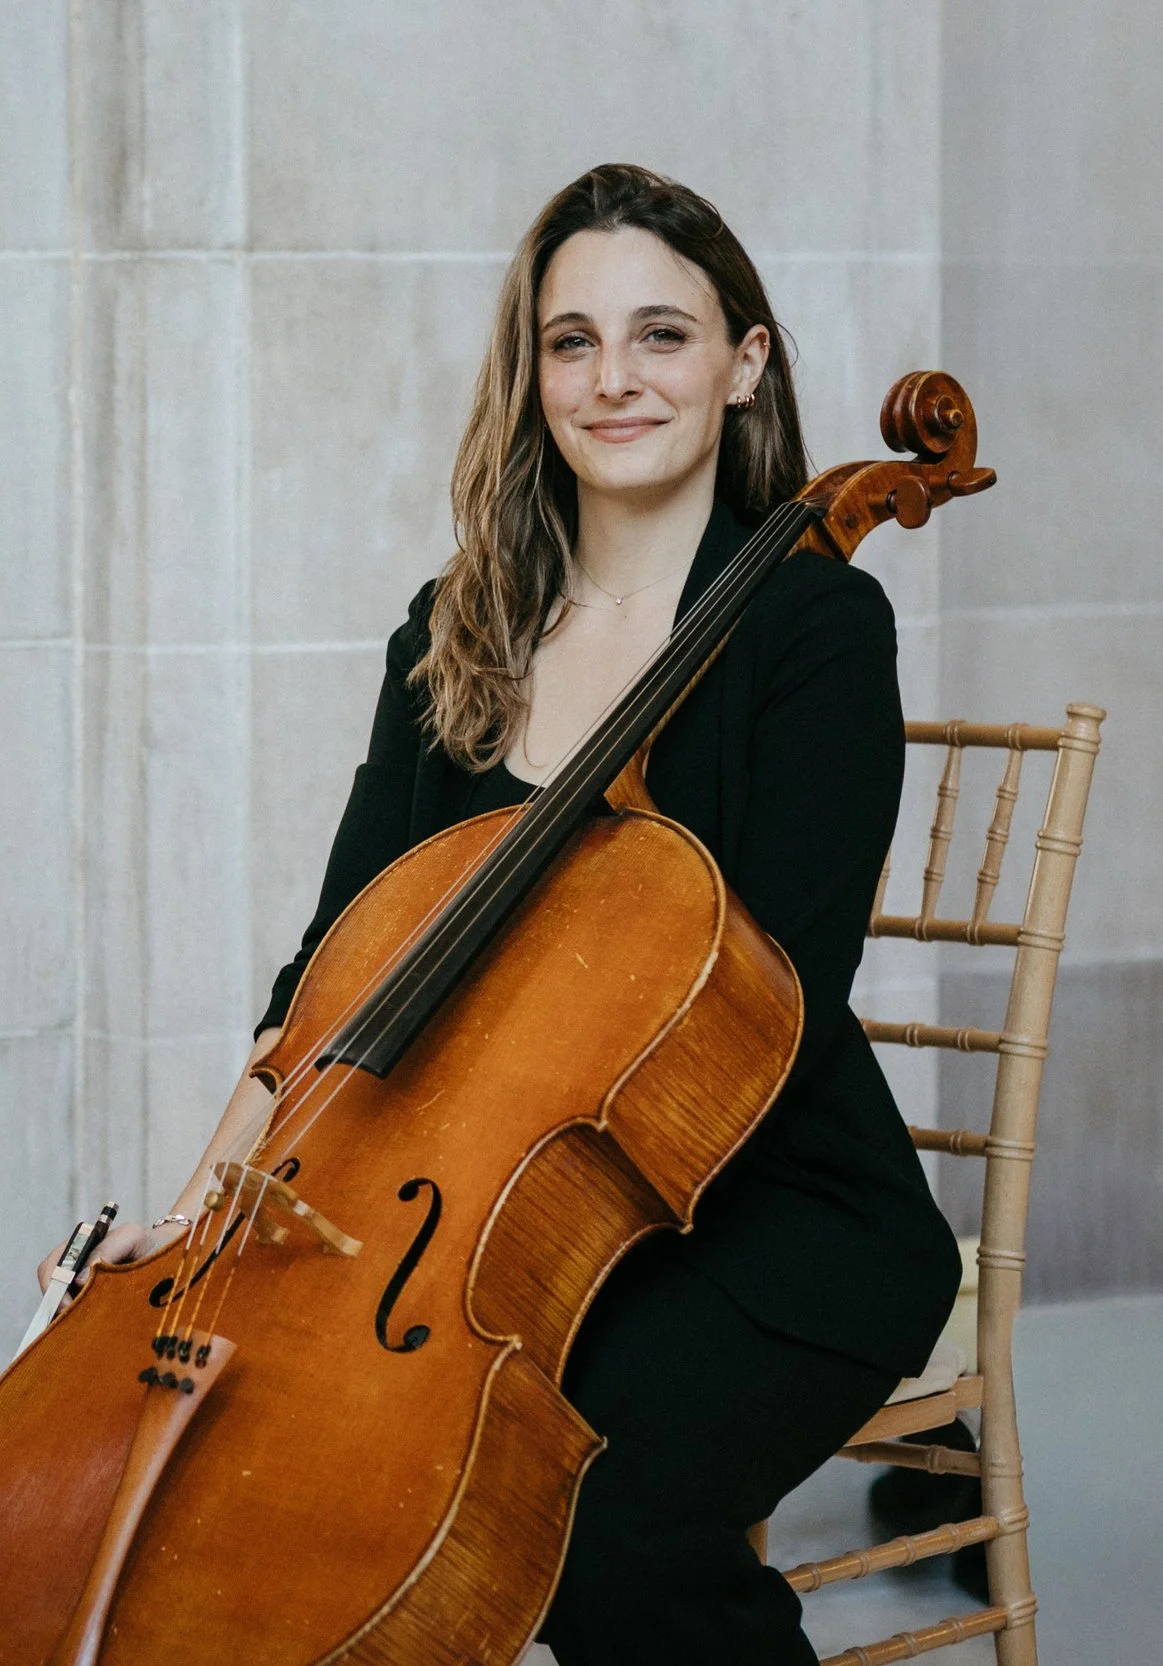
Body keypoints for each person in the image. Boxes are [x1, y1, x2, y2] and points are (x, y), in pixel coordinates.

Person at [69, 165, 960, 1662]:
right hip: (482, 1219)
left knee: (590, 1513)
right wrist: (198, 1210)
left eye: (662, 336)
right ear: (531, 372)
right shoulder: (456, 626)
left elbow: (781, 992)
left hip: (768, 1206)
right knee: (289, 1473)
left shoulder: (813, 626)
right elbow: (333, 970)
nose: (614, 379)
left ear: (744, 367)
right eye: (572, 341)